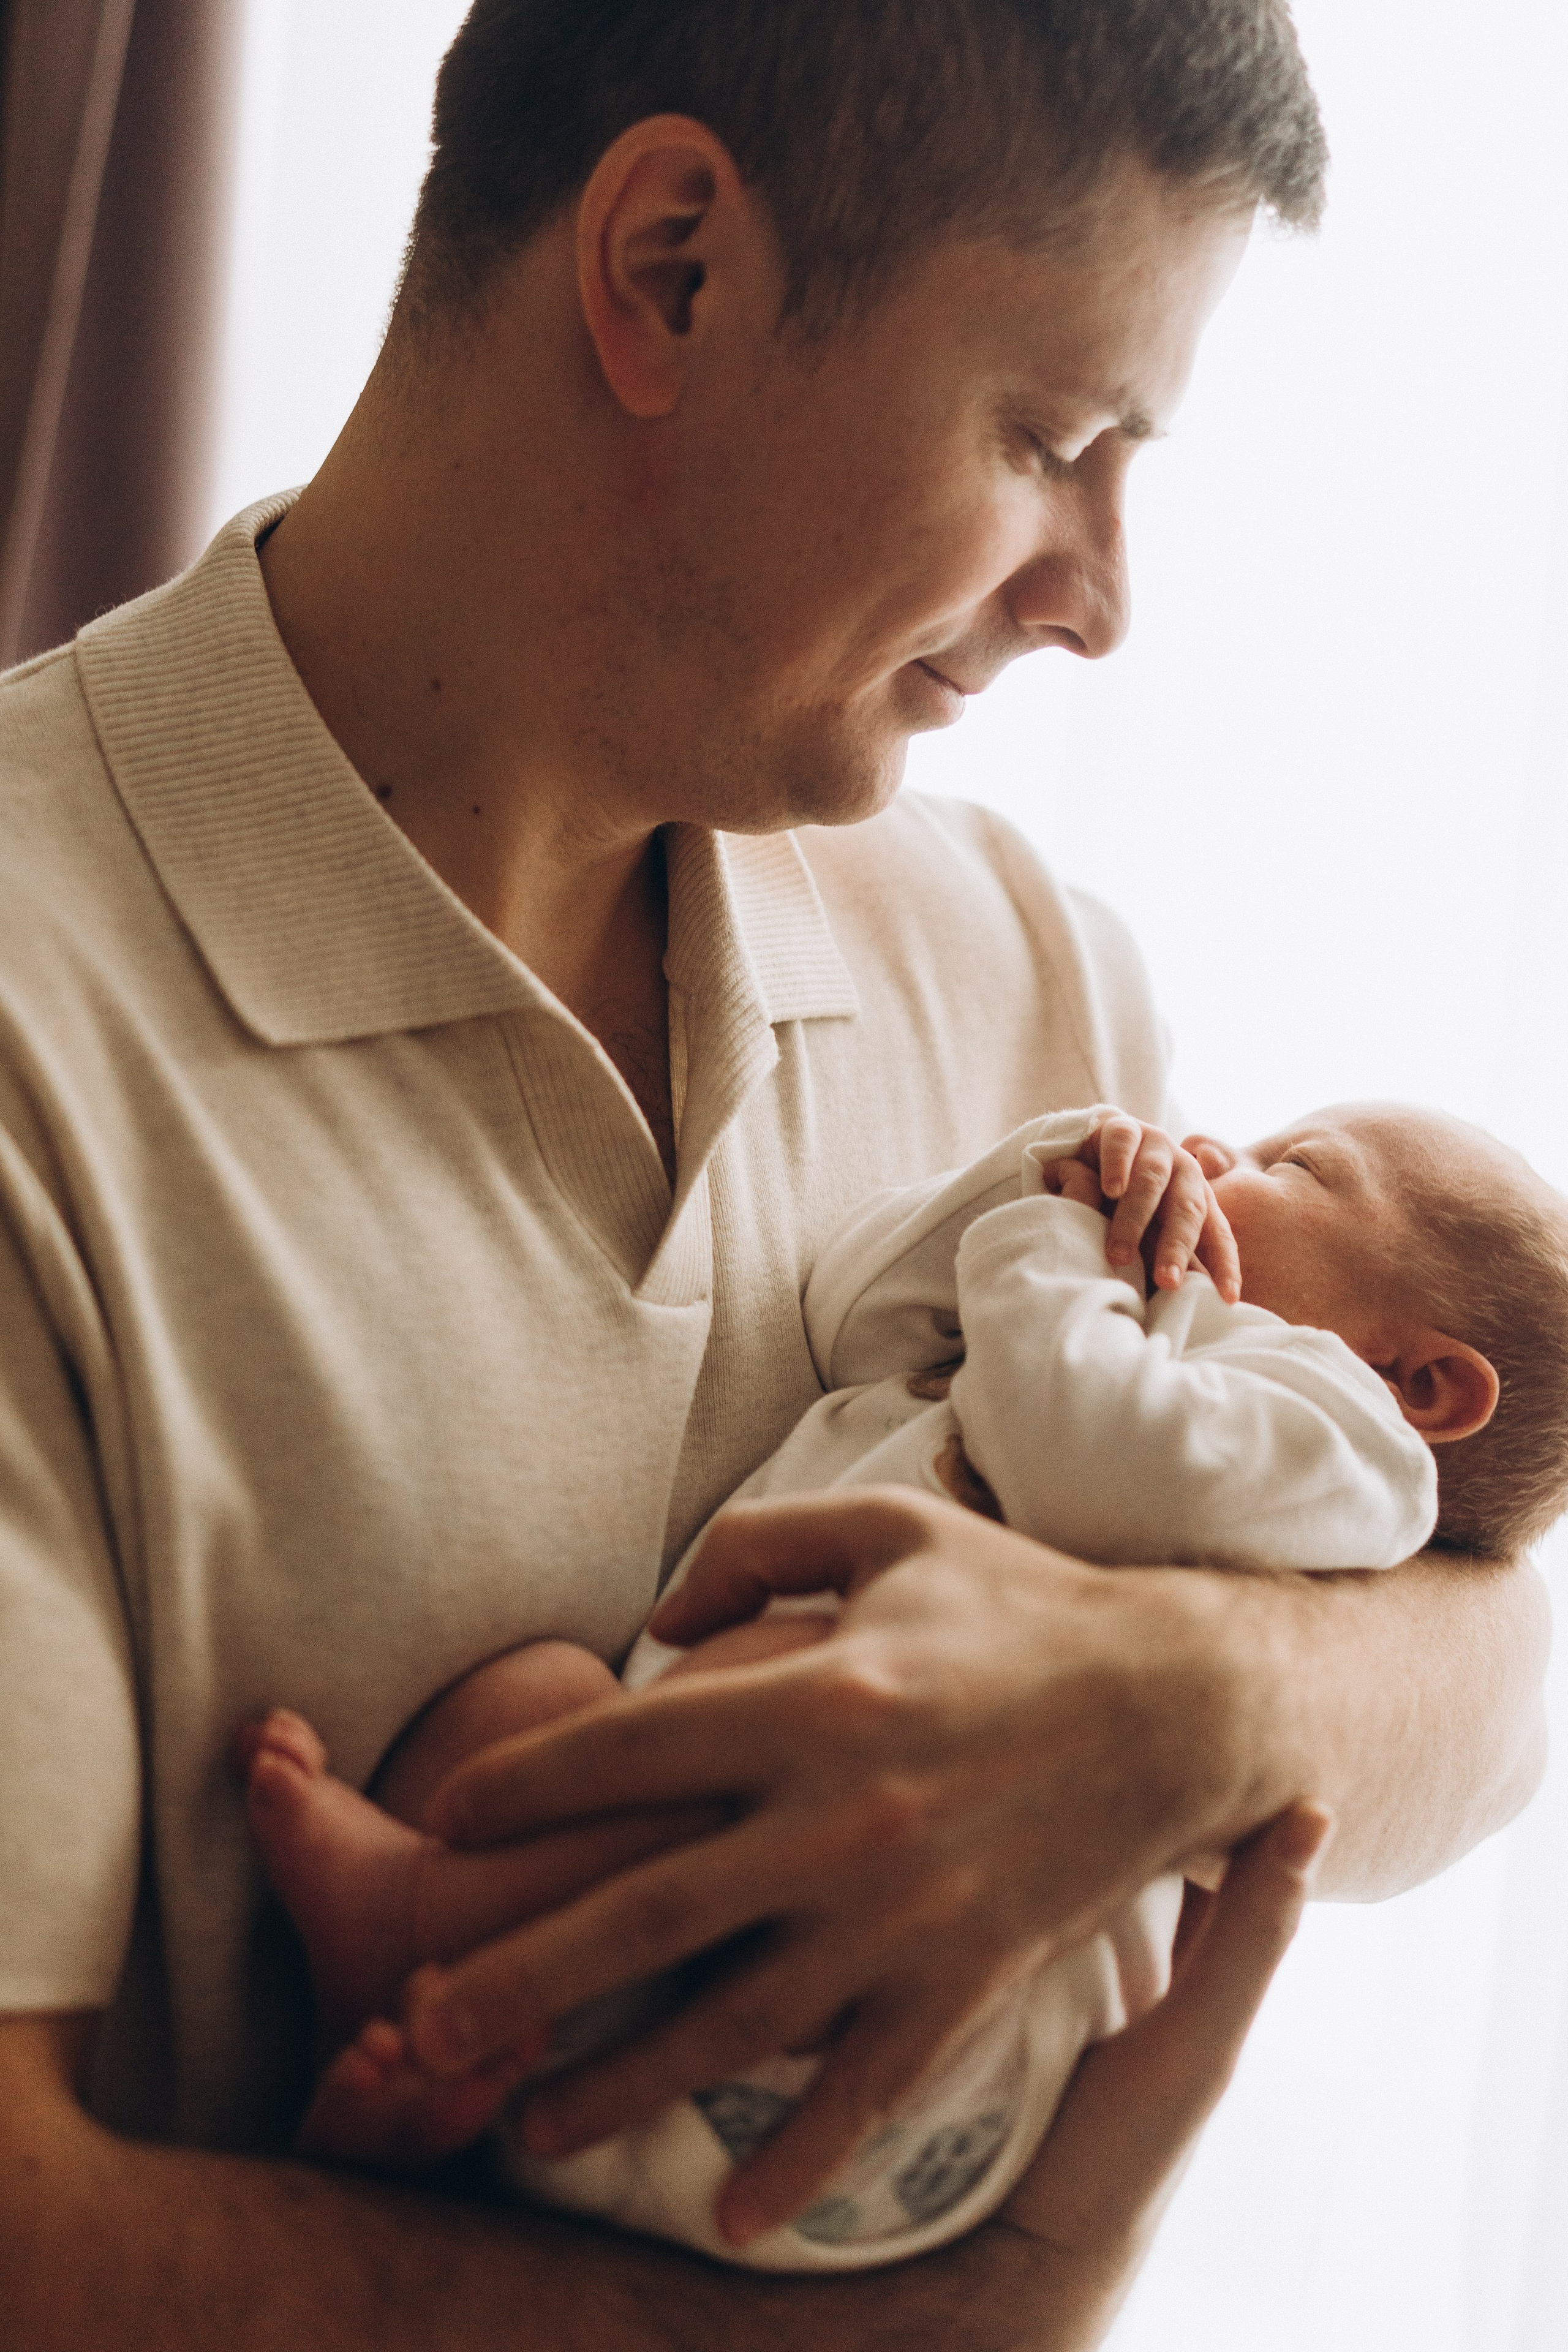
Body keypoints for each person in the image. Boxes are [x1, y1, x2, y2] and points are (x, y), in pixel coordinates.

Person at [0, 4, 1548, 2345]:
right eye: (1051, 440)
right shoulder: (41, 1015)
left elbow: (1487, 1654)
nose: (1100, 597)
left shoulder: (1025, 968)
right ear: (675, 270)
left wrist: (1187, 1702)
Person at [229, 1098, 1568, 2271]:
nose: (1218, 1146)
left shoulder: (1338, 1438)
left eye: (1294, 1164)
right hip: (731, 1943)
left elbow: (1080, 1456)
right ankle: (434, 2073)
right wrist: (1042, 1174)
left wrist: (1059, 1248)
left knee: (787, 1690)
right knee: (529, 1702)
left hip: (910, 2034)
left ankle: (424, 1920)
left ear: (1423, 1382)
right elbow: (850, 1310)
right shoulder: (1117, 1316)